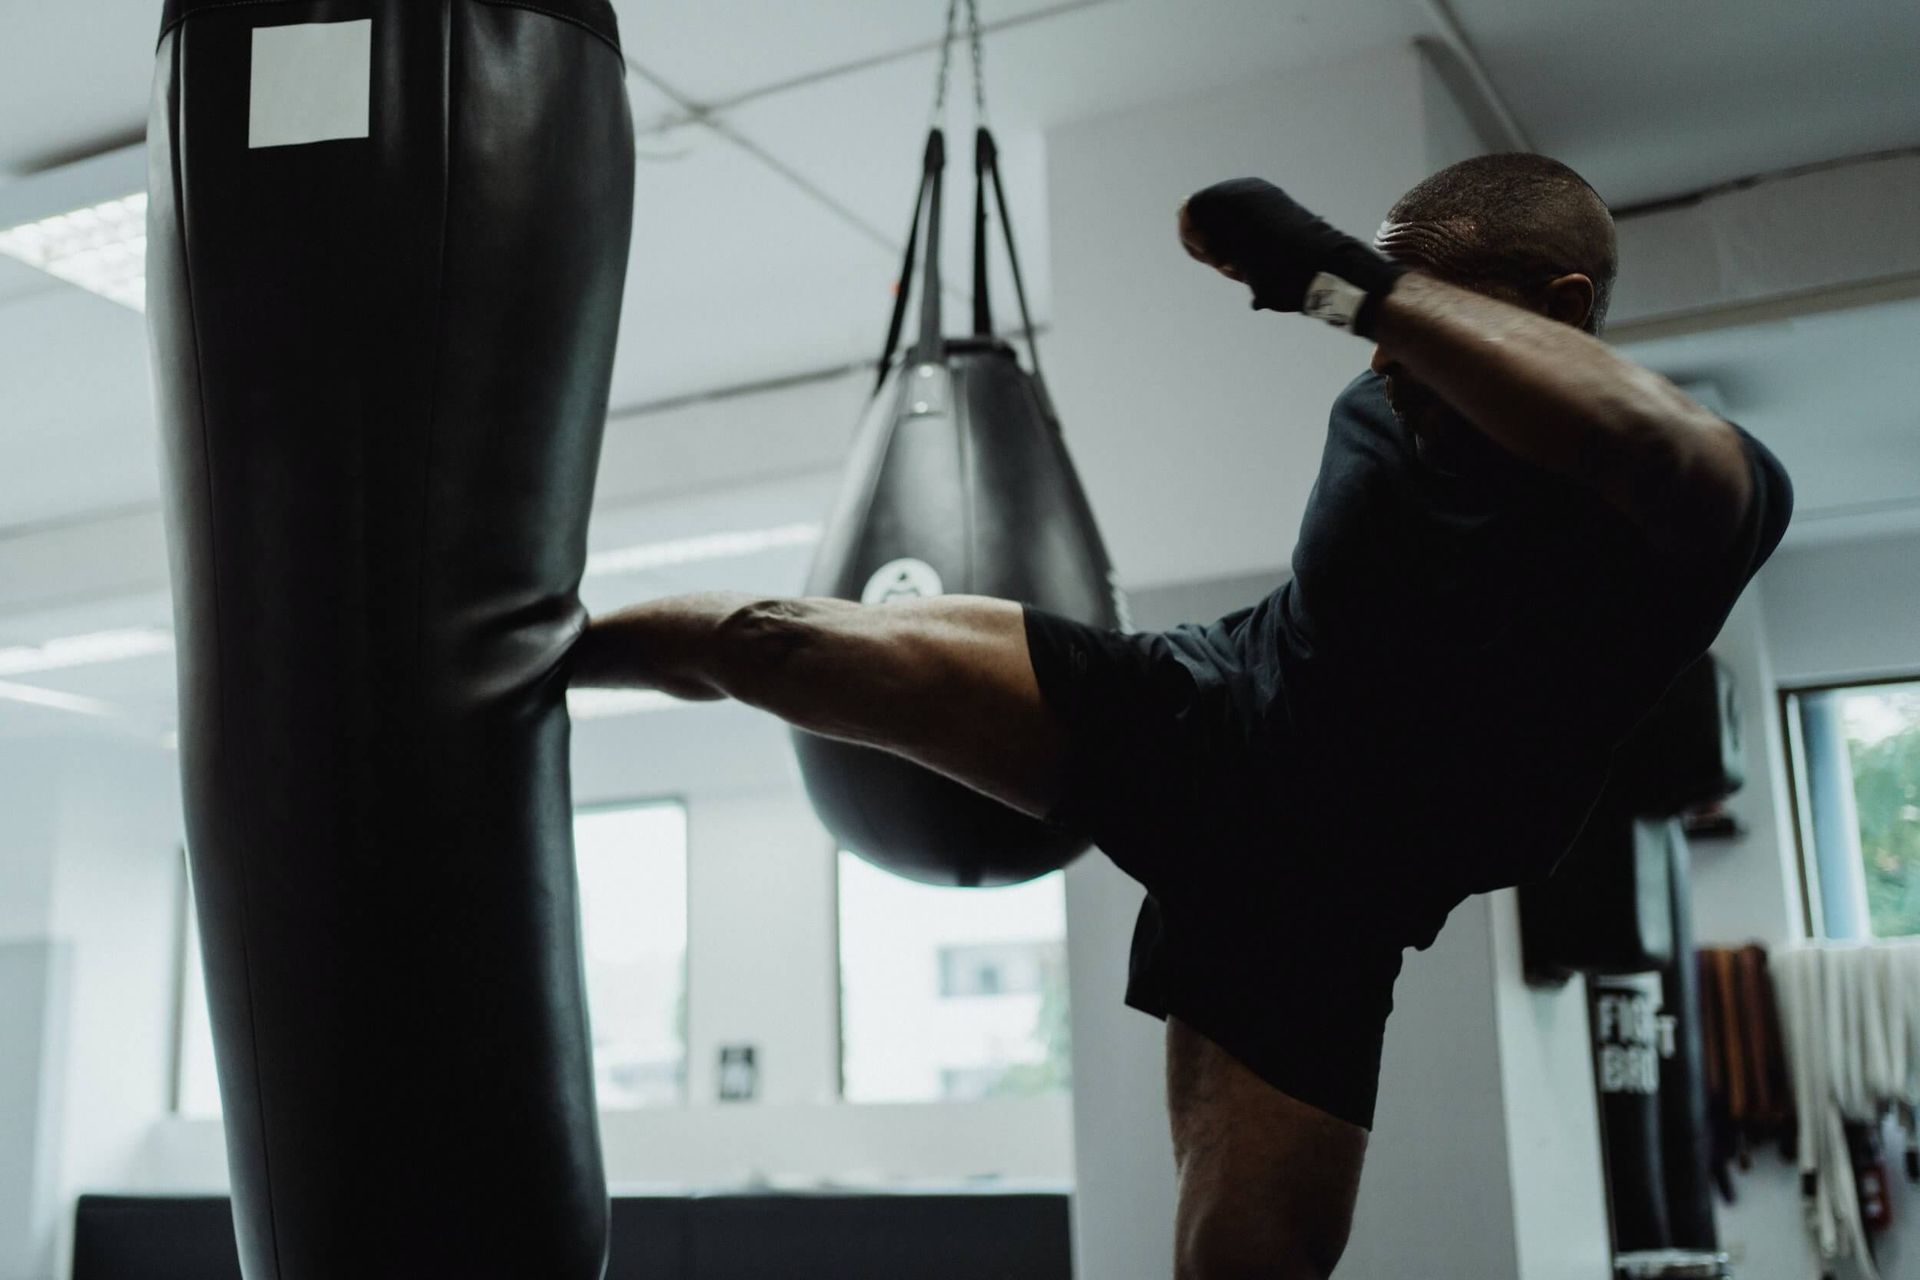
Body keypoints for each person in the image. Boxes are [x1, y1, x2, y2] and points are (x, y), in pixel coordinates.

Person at [571, 153, 1793, 1279]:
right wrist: (1359, 305)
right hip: (1201, 708)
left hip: (1327, 902)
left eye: (1407, 315)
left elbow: (1650, 438)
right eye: (1370, 319)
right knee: (774, 642)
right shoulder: (1387, 403)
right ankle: (513, 656)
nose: (1376, 362)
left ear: (1565, 308)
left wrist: (1358, 286)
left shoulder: (1695, 507)